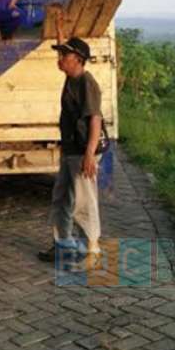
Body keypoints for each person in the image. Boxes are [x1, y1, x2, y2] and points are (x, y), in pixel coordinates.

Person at [38, 36, 103, 264]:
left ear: (78, 59)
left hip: (83, 151)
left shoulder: (87, 83)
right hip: (70, 150)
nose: (60, 59)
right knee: (62, 199)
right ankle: (63, 246)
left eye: (64, 56)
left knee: (84, 201)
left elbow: (95, 120)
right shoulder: (70, 78)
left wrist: (89, 155)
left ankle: (92, 249)